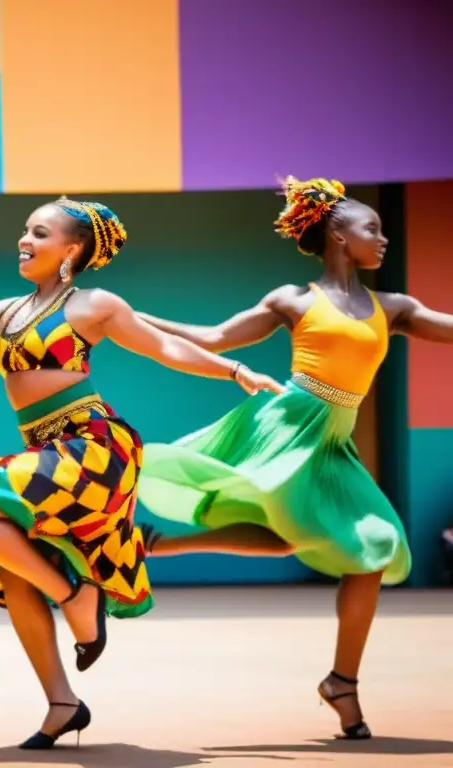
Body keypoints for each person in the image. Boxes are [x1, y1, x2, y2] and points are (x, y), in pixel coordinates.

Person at [0, 196, 282, 749]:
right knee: (13, 567)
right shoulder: (2, 312)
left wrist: (234, 369)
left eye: (39, 233)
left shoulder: (93, 305)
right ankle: (63, 704)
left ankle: (74, 597)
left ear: (72, 250)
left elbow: (165, 347)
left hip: (94, 449)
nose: (24, 239)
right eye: (24, 230)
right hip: (47, 453)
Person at [134, 176, 453, 740]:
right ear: (336, 233)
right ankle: (156, 546)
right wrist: (126, 319)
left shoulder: (393, 307)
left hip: (334, 442)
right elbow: (213, 337)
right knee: (297, 534)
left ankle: (340, 680)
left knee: (366, 549)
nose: (382, 240)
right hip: (286, 426)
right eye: (371, 229)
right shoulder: (294, 299)